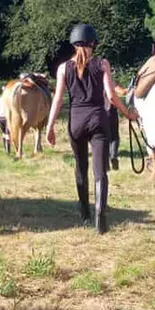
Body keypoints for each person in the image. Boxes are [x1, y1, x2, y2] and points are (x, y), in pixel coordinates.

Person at [45, 23, 137, 234]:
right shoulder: (102, 64)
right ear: (93, 43)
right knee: (100, 172)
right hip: (98, 121)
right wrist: (127, 113)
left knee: (81, 168)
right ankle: (100, 218)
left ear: (73, 44)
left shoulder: (63, 68)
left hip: (76, 122)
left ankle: (84, 214)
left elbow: (58, 99)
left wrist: (49, 127)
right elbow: (111, 95)